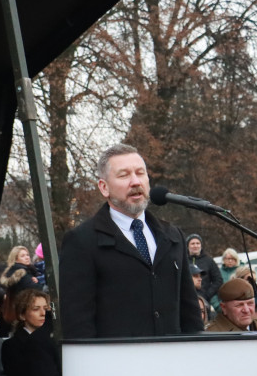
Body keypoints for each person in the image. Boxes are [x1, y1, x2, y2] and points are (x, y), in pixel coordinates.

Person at [59, 143, 202, 339]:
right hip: (116, 356)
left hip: (172, 355)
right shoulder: (82, 241)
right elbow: (77, 322)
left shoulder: (172, 235)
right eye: (124, 175)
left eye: (140, 173)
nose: (135, 182)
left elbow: (190, 312)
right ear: (104, 187)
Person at [185, 234, 223, 302]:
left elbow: (218, 280)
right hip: (186, 297)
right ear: (188, 246)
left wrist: (207, 294)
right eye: (192, 244)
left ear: (201, 245)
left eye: (198, 243)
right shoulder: (183, 260)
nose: (195, 246)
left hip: (204, 299)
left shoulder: (209, 261)